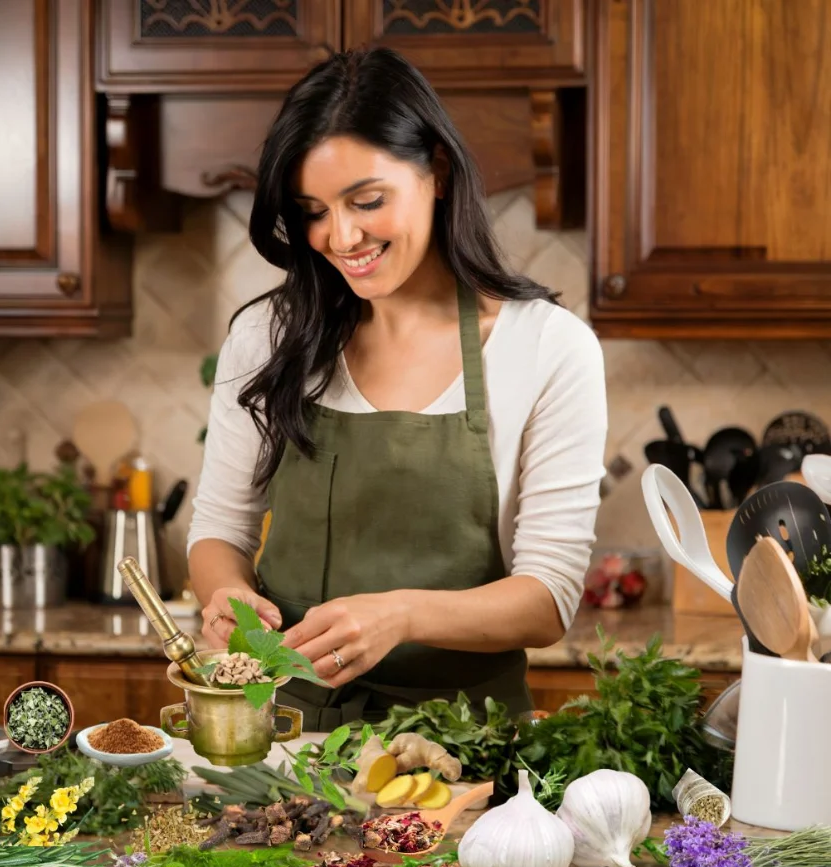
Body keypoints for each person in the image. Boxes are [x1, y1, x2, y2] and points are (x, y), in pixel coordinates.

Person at [187, 46, 607, 729]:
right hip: (281, 741)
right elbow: (219, 530)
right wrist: (228, 594)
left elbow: (548, 597)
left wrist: (401, 613)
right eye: (314, 211)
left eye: (367, 201)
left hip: (462, 749)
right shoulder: (270, 335)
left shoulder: (547, 347)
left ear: (436, 172)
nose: (340, 236)